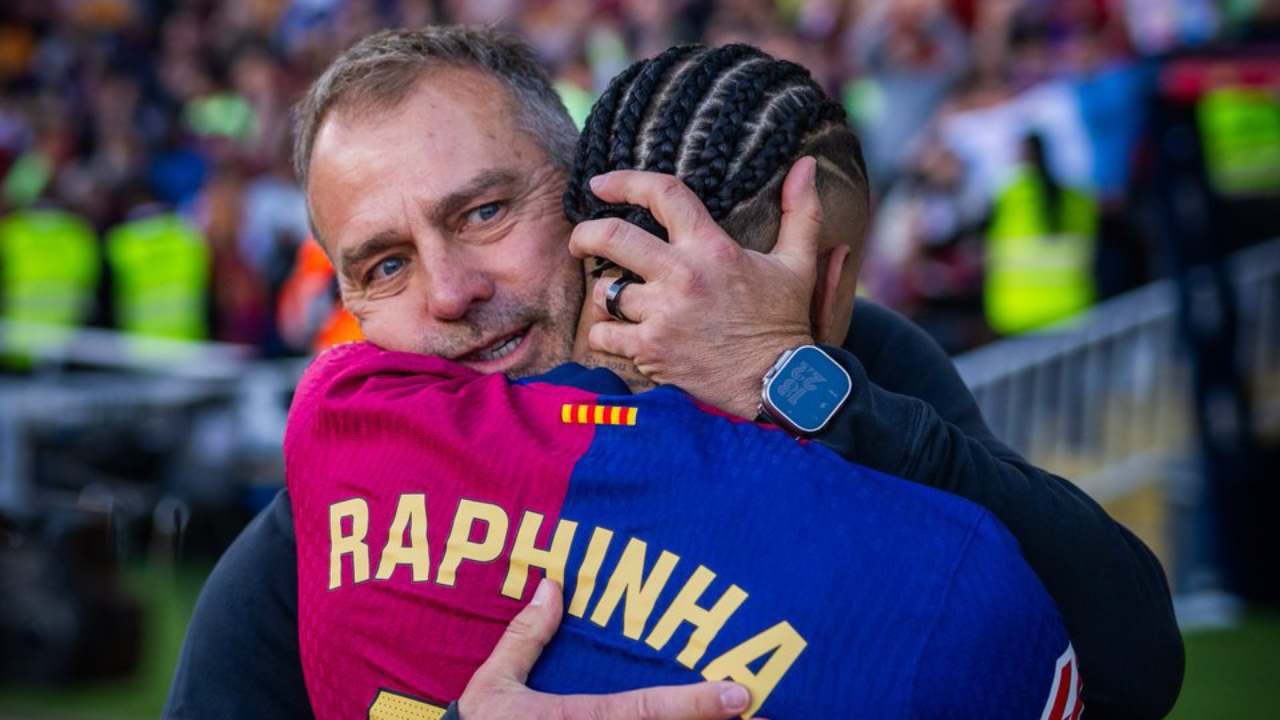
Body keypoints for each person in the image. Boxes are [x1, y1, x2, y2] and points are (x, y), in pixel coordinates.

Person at [164, 26, 1181, 720]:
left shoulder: (833, 361)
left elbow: (1132, 664)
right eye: (383, 266)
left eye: (482, 213)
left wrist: (789, 381)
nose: (449, 292)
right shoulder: (345, 507)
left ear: (586, 199)